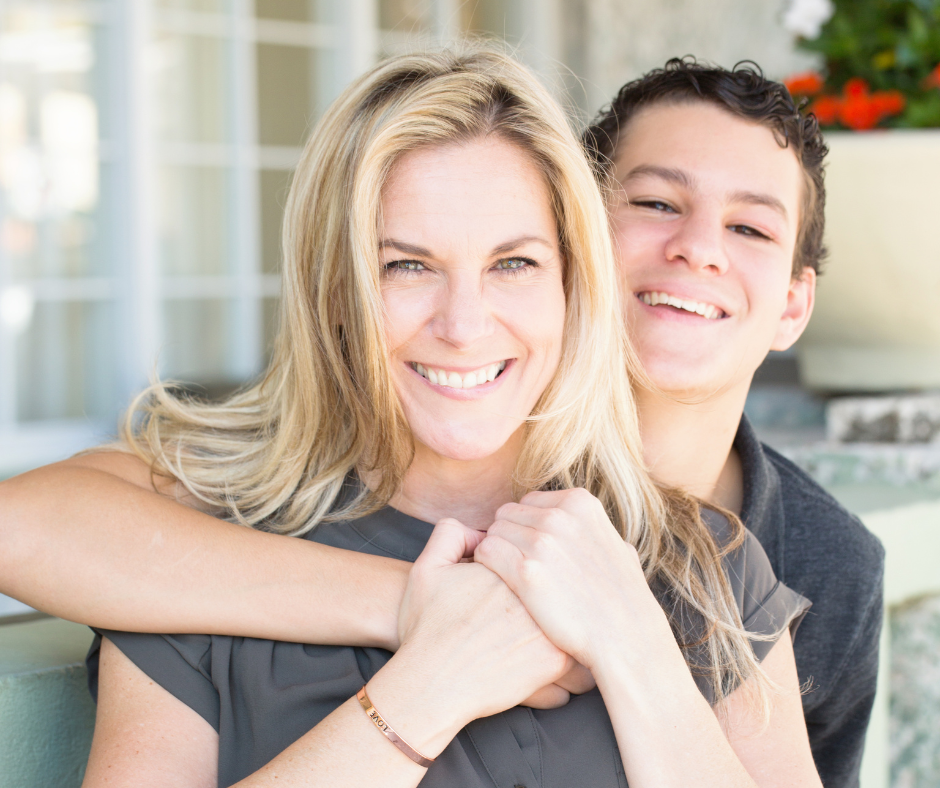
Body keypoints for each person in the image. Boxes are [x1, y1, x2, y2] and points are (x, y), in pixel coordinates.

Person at [0, 55, 879, 785]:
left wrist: (631, 641)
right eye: (408, 266)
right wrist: (424, 689)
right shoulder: (194, 571)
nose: (464, 324)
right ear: (336, 293)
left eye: (514, 263)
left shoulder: (696, 558)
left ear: (575, 286)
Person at [581, 59, 884, 788]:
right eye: (655, 203)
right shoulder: (458, 462)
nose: (699, 247)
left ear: (792, 306)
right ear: (576, 229)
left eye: (749, 227)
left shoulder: (832, 566)